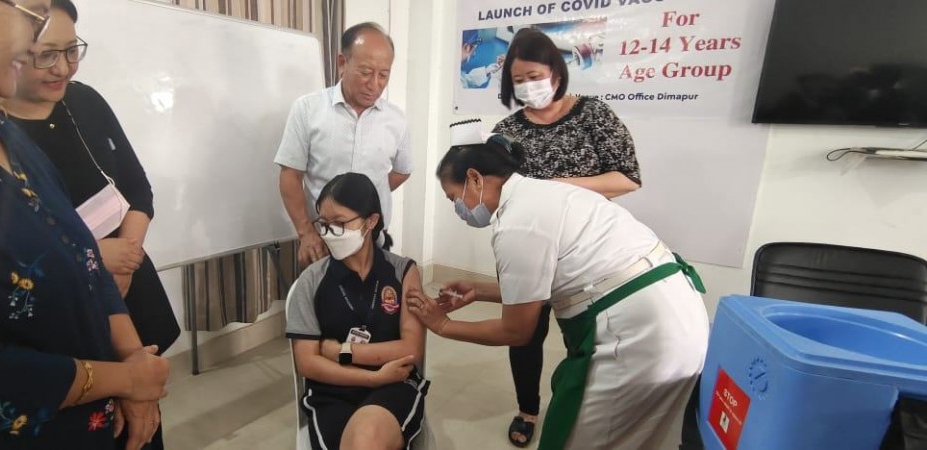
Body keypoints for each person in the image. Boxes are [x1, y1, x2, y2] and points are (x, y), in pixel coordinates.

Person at [0, 1, 169, 449]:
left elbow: (86, 266)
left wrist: (137, 368)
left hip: (107, 408)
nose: (32, 40)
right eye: (31, 16)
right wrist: (125, 378)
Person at [407, 126, 708, 450]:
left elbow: (516, 332)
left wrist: (443, 325)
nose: (459, 208)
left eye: (454, 197)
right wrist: (479, 291)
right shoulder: (544, 194)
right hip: (675, 311)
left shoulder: (517, 223)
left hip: (640, 334)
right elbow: (549, 283)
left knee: (576, 439)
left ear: (476, 179)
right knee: (639, 437)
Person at [0, 1, 180, 448]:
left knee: (143, 419)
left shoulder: (86, 101)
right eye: (46, 54)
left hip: (127, 294)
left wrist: (124, 261)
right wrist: (96, 256)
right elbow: (3, 241)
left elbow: (138, 190)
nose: (62, 67)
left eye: (72, 51)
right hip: (60, 315)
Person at [491, 28, 641, 447]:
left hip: (586, 250)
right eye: (518, 80)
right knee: (524, 333)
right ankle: (527, 409)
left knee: (590, 337)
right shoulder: (507, 129)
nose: (527, 87)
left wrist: (558, 185)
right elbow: (498, 189)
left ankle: (584, 406)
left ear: (556, 72)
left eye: (534, 76)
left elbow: (626, 179)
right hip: (529, 246)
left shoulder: (594, 114)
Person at [285, 173, 429, 450]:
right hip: (332, 390)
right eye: (323, 224)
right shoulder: (311, 281)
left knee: (366, 439)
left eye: (339, 223)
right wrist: (373, 376)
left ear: (370, 222)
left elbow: (411, 349)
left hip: (395, 383)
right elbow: (307, 363)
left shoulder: (402, 271)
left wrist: (340, 352)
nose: (328, 233)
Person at [276, 22, 412, 267]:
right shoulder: (308, 110)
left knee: (377, 303)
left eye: (384, 74)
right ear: (342, 63)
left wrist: (367, 196)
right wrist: (306, 233)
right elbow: (290, 175)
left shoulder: (396, 119)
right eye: (366, 72)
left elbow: (402, 171)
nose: (375, 84)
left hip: (373, 240)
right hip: (323, 242)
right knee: (321, 302)